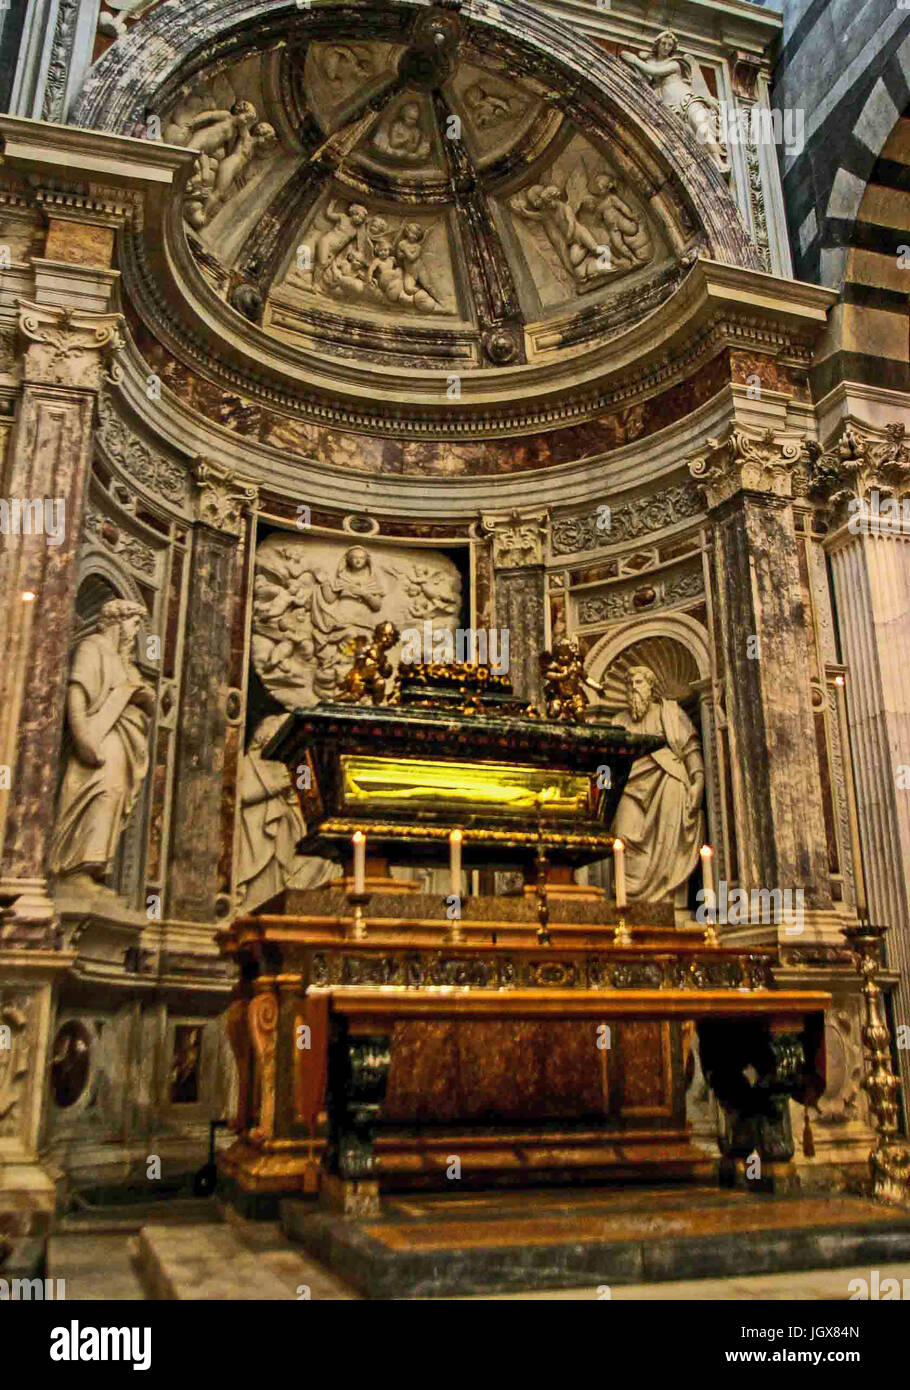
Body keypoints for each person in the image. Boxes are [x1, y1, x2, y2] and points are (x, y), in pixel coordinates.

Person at [50, 600, 155, 893]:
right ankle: (75, 866)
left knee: (115, 795)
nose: (136, 632)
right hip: (100, 739)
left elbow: (145, 694)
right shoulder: (92, 647)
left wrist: (141, 694)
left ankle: (95, 865)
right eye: (134, 624)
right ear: (117, 622)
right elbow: (77, 693)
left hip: (123, 741)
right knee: (102, 792)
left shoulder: (126, 662)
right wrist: (83, 736)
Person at [611, 665, 705, 901]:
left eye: (639, 683)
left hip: (667, 779)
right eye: (629, 684)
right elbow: (607, 761)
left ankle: (669, 900)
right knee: (623, 834)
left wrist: (698, 780)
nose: (633, 688)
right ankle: (628, 902)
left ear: (651, 687)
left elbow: (690, 748)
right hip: (628, 788)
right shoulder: (617, 721)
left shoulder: (671, 713)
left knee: (670, 842)